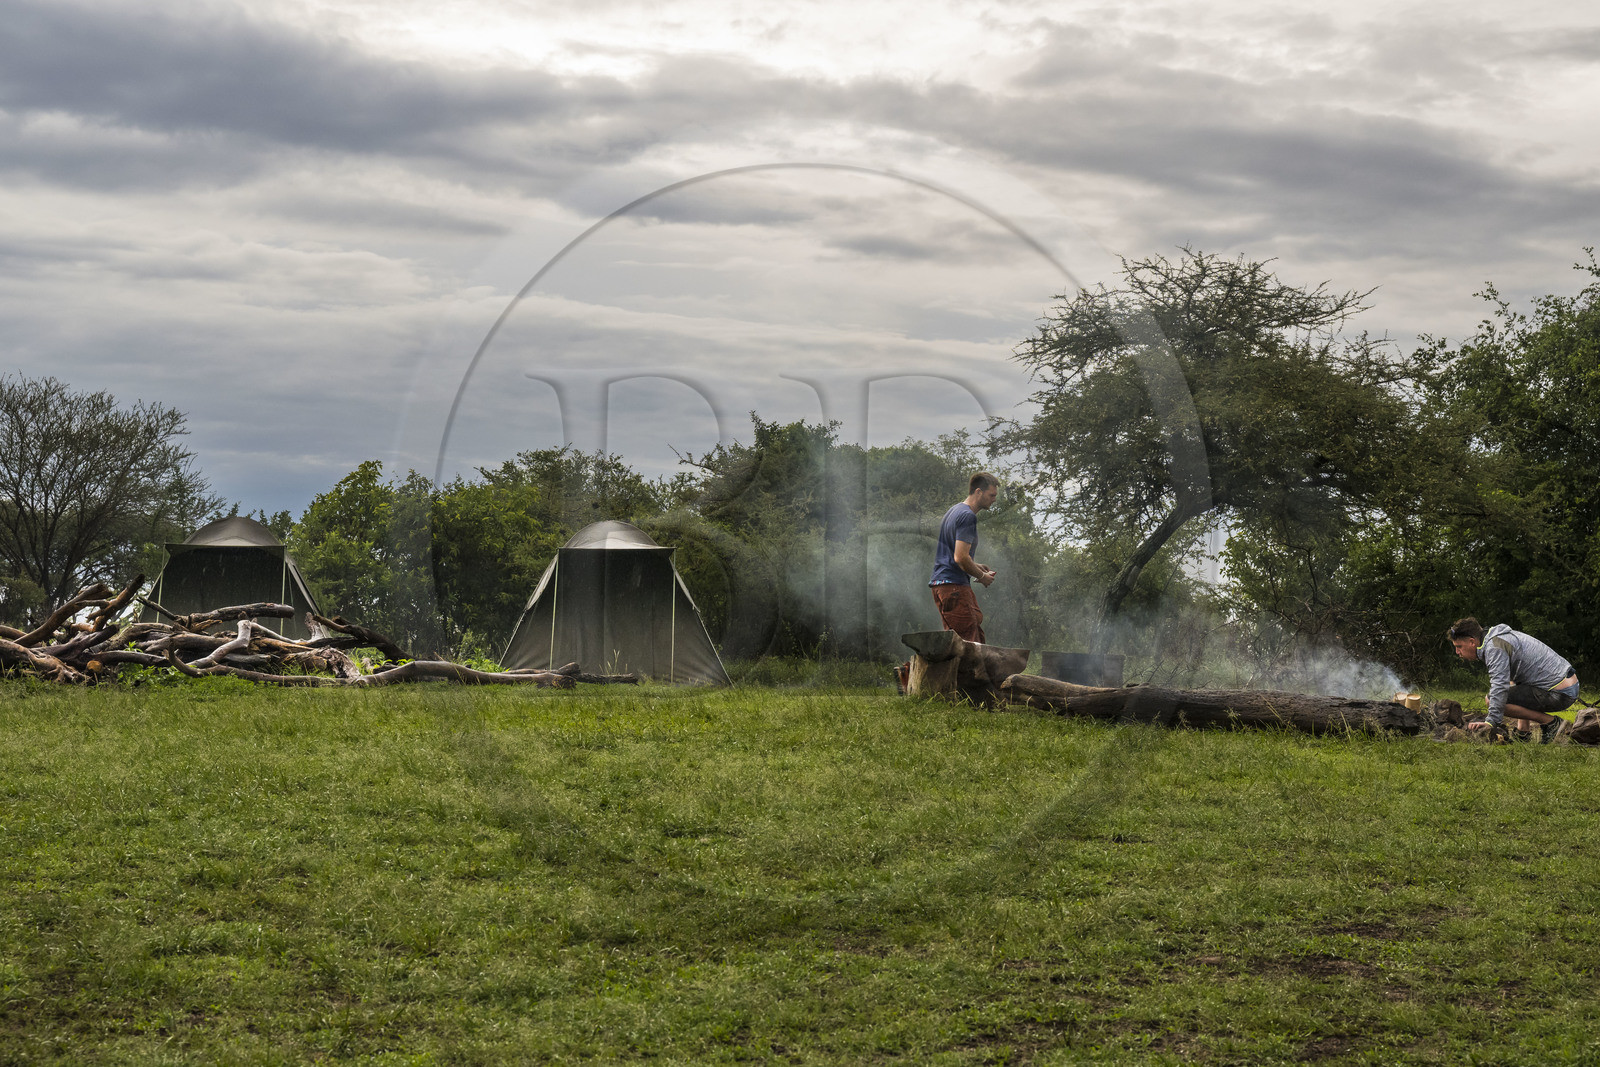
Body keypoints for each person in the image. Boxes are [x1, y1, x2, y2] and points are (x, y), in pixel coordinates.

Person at [1449, 617, 1580, 744]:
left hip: (1558, 693)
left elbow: (1500, 686)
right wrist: (1522, 730)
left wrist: (1491, 721)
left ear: (1472, 642)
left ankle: (1551, 722)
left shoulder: (1494, 647)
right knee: (1510, 691)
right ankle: (1523, 733)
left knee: (1490, 700)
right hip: (1564, 688)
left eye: (1459, 646)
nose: (1457, 652)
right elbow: (1514, 683)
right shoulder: (1498, 639)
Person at [928, 472, 999, 643]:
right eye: (992, 495)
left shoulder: (954, 511)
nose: (994, 499)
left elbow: (954, 555)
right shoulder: (968, 516)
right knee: (972, 647)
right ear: (978, 492)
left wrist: (975, 565)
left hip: (941, 586)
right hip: (954, 587)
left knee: (956, 646)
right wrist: (981, 577)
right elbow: (960, 557)